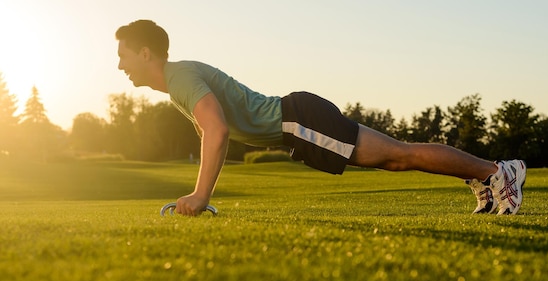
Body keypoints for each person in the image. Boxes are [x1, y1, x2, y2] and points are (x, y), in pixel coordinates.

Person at [115, 20, 526, 217]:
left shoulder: (181, 77)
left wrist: (201, 196)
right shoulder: (178, 82)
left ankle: (497, 172)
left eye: (123, 56)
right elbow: (217, 134)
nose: (121, 66)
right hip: (299, 120)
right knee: (398, 155)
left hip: (296, 120)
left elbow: (217, 131)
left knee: (397, 156)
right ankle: (489, 179)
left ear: (146, 53)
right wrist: (204, 194)